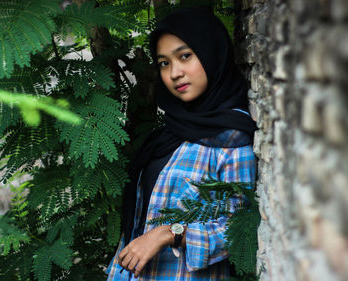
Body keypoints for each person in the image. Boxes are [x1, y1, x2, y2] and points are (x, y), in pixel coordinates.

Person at [105, 7, 257, 280]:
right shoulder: (168, 132)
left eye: (185, 56)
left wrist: (169, 234)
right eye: (164, 63)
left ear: (212, 53)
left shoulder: (233, 139)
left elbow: (240, 233)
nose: (174, 73)